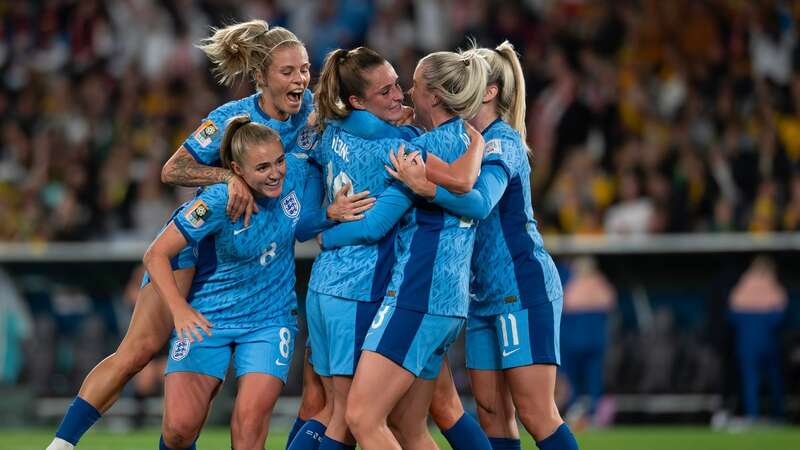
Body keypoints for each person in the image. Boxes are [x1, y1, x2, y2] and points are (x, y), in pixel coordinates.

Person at [46, 21, 364, 450]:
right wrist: (227, 179)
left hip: (258, 266)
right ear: (261, 76)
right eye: (288, 71)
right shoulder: (229, 119)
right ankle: (62, 444)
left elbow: (353, 131)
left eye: (305, 69)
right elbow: (172, 170)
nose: (301, 80)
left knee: (211, 414)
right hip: (197, 252)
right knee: (138, 353)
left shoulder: (314, 116)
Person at [295, 46, 489, 450]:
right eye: (388, 91)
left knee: (345, 413)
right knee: (384, 421)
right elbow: (472, 194)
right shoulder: (406, 143)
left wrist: (326, 230)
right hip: (385, 290)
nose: (401, 95)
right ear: (357, 100)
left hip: (367, 287)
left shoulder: (337, 130)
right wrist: (476, 147)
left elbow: (310, 224)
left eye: (404, 85)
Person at [390, 42, 580, 450]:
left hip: (521, 286)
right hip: (481, 294)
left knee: (536, 412)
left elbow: (478, 203)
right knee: (492, 413)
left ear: (489, 91)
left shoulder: (502, 141)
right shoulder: (460, 141)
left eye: (468, 81)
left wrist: (426, 186)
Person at [144, 116, 345, 450]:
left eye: (278, 161)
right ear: (237, 170)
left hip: (269, 320)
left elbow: (303, 225)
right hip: (209, 317)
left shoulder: (296, 175)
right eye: (262, 167)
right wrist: (179, 310)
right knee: (179, 429)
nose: (276, 172)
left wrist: (329, 214)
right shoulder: (218, 201)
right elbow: (155, 255)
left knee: (249, 425)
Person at [729, 255, 787, 421]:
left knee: (751, 380)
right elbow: (781, 317)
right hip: (768, 340)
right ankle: (777, 416)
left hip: (748, 340)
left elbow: (732, 316)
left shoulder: (743, 285)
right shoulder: (774, 286)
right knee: (774, 380)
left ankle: (753, 415)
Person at [560, 256, 616, 428]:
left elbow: (609, 302)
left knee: (592, 382)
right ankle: (580, 415)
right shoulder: (574, 284)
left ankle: (593, 415)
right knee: (576, 384)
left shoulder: (595, 284)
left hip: (585, 345)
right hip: (578, 345)